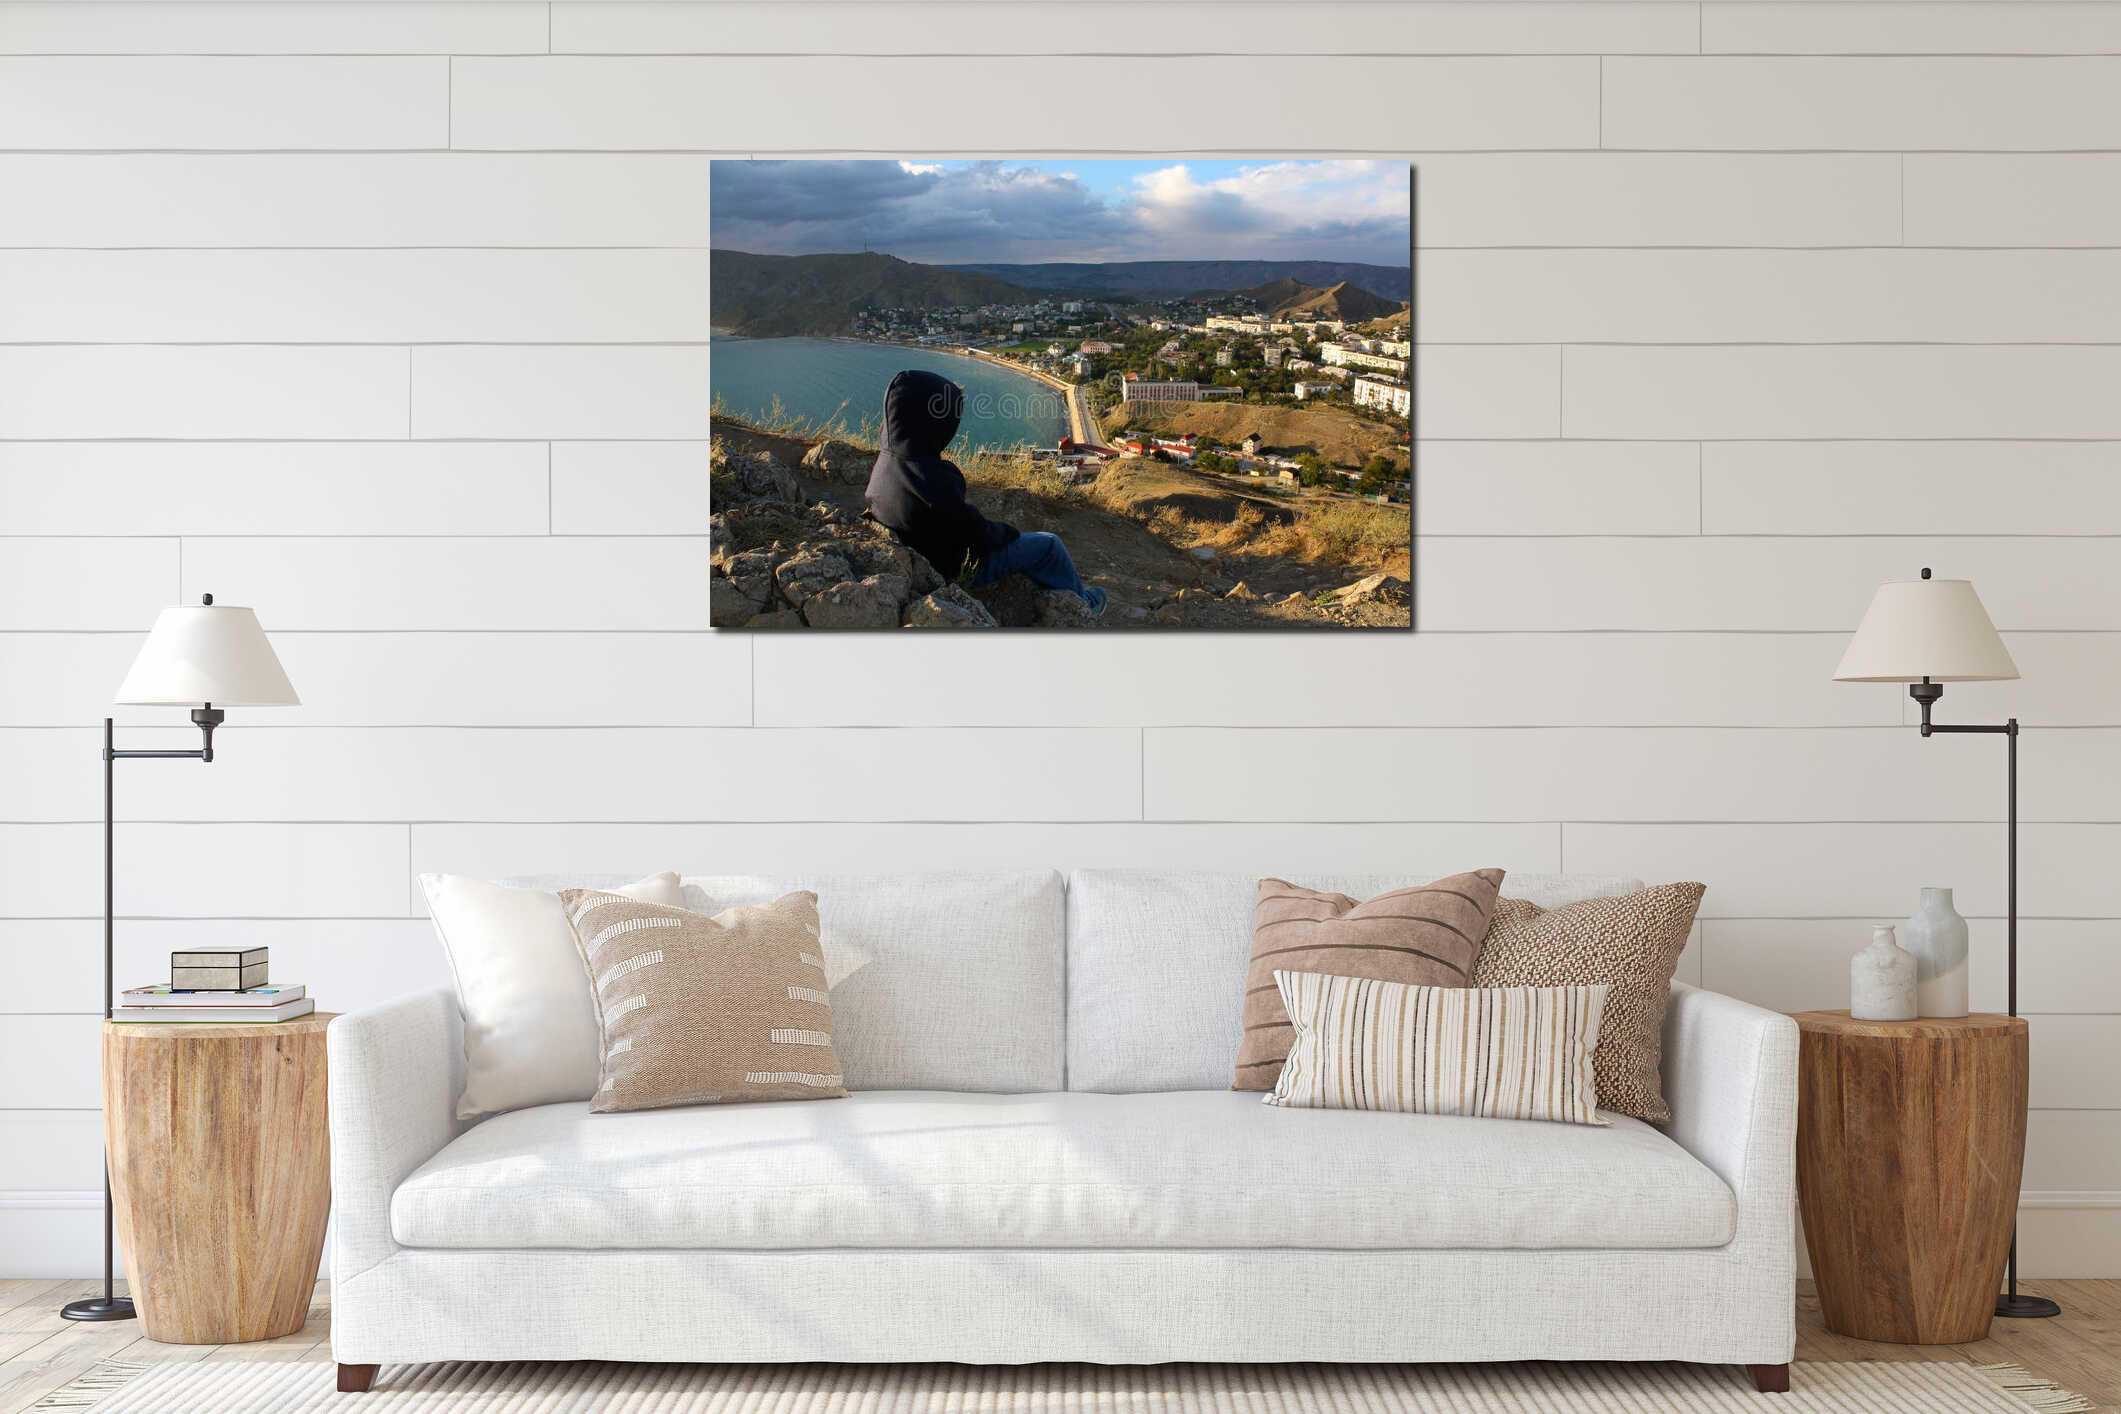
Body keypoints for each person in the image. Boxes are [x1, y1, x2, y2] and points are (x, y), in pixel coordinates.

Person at [864, 368, 1107, 615]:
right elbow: (976, 533)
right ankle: (1084, 606)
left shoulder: (885, 462)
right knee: (1049, 545)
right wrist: (1008, 532)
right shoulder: (934, 478)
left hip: (921, 549)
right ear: (934, 422)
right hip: (953, 566)